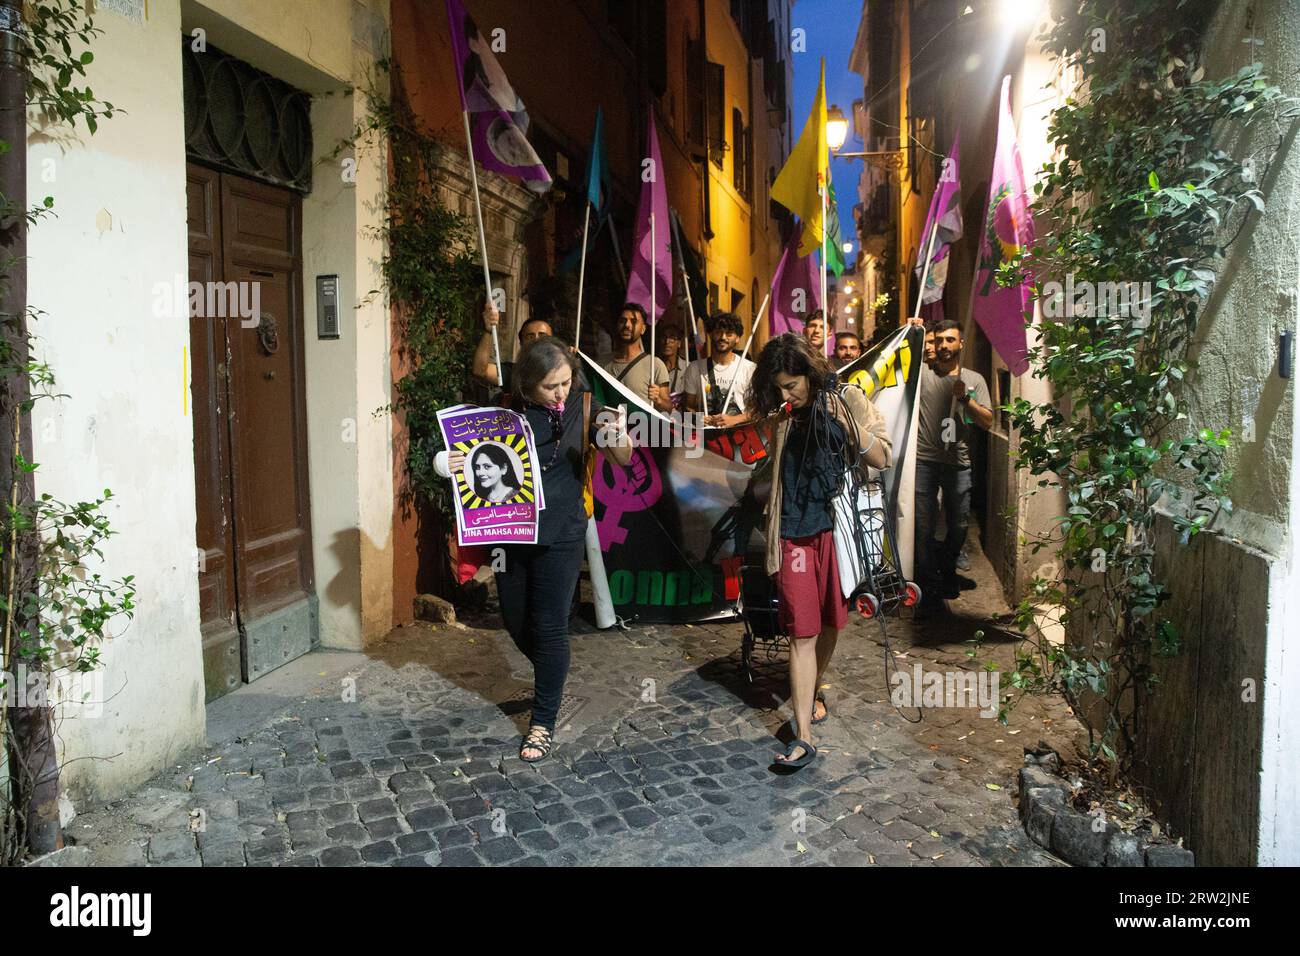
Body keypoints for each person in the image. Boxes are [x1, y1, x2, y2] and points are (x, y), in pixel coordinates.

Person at [437, 337, 633, 761]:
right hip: (511, 532)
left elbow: (623, 457)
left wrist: (617, 435)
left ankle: (543, 721)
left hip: (563, 531)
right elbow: (467, 455)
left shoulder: (585, 405)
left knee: (548, 625)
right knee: (514, 620)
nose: (560, 392)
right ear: (528, 385)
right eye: (550, 386)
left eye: (565, 382)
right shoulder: (503, 410)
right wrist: (447, 462)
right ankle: (552, 671)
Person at [747, 333, 891, 770]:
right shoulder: (781, 413)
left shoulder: (847, 399)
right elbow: (767, 471)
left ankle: (812, 692)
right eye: (777, 387)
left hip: (837, 532)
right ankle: (803, 736)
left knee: (831, 622)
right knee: (802, 631)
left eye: (791, 385)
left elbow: (882, 457)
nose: (785, 393)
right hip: (793, 533)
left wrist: (847, 423)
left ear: (810, 374)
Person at [906, 317, 992, 613]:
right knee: (923, 524)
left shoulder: (974, 379)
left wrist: (966, 399)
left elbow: (988, 421)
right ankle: (930, 583)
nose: (944, 346)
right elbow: (901, 355)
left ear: (961, 343)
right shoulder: (921, 373)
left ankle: (947, 567)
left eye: (950, 340)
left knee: (958, 524)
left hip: (958, 462)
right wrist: (911, 331)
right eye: (939, 340)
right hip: (925, 460)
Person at [683, 311, 756, 428]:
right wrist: (697, 418)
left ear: (737, 338)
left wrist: (734, 419)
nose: (723, 337)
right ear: (711, 334)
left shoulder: (749, 369)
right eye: (718, 332)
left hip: (739, 439)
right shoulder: (695, 368)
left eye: (729, 334)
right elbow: (688, 406)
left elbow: (760, 410)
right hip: (706, 439)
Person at [604, 302, 672, 414]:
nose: (627, 325)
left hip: (641, 430)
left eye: (634, 321)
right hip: (610, 430)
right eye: (622, 320)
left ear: (643, 329)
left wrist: (658, 400)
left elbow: (668, 408)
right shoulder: (602, 363)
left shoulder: (655, 365)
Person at [472, 300, 553, 391]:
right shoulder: (514, 373)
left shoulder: (565, 366)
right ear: (521, 343)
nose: (536, 340)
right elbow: (480, 371)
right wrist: (488, 331)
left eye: (542, 335)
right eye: (530, 337)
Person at [656, 323, 689, 406]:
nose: (667, 342)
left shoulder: (688, 368)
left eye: (672, 338)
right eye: (664, 337)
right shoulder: (653, 367)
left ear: (679, 343)